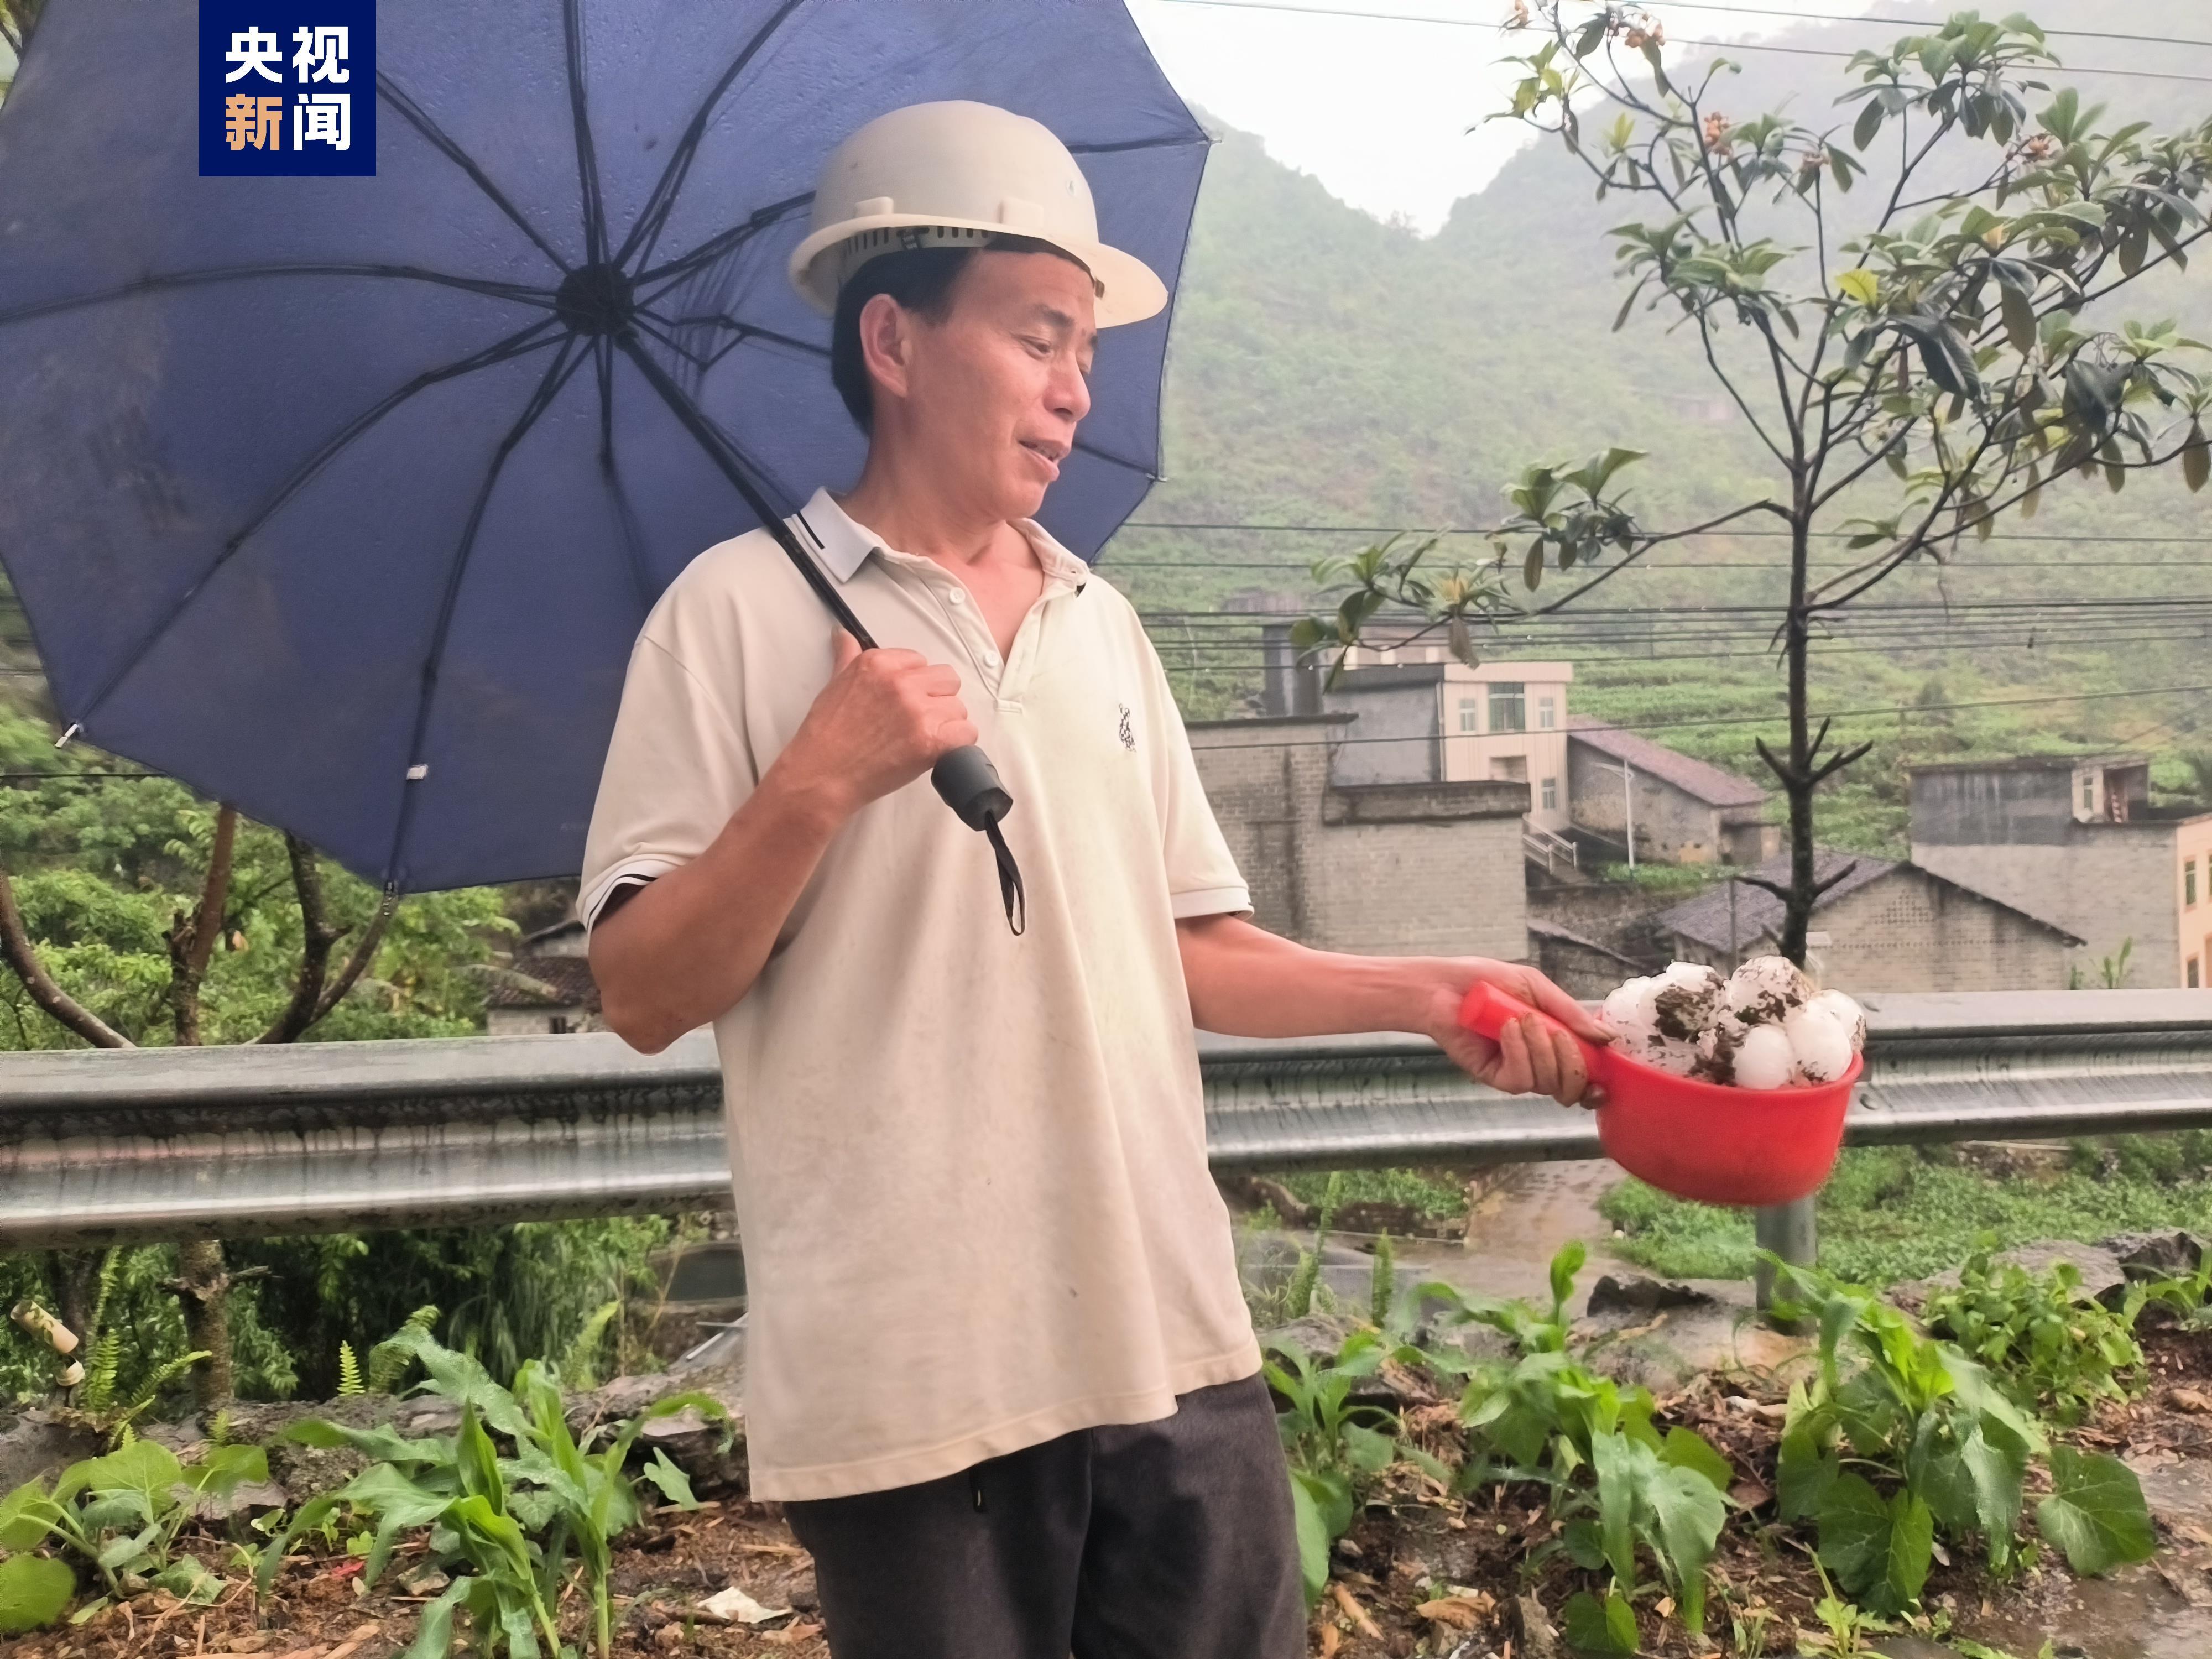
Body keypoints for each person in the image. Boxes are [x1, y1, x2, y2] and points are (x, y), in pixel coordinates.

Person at [580, 99, 1608, 1659]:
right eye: (1039, 338)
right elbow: (645, 990)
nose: (1071, 392)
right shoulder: (727, 620)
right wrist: (816, 781)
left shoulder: (1099, 623)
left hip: (1161, 1322)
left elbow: (1191, 947)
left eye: (1087, 358)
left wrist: (1429, 993)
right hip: (916, 1369)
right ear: (894, 341)